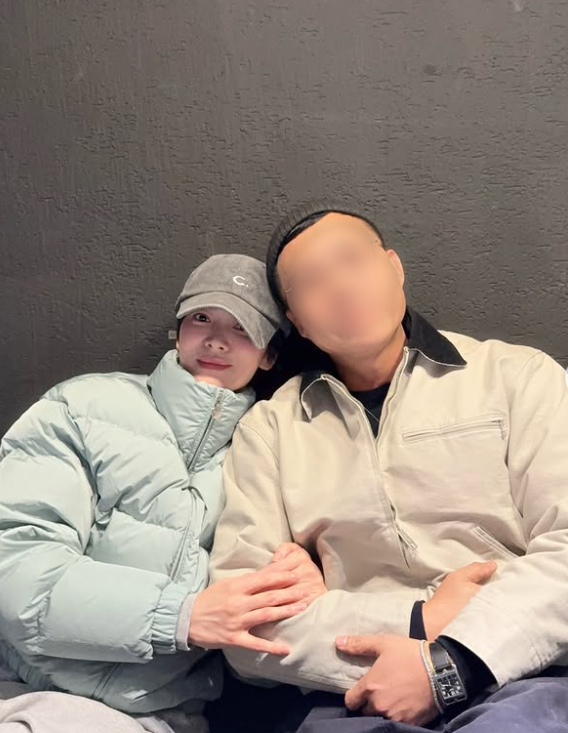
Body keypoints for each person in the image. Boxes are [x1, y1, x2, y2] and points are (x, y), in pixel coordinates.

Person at [209, 203, 568, 732]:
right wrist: (418, 620)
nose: (341, 287)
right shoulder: (270, 429)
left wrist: (453, 661)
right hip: (355, 695)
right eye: (312, 282)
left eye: (352, 260)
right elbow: (244, 626)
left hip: (520, 676)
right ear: (297, 321)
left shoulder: (518, 377)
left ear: (394, 267)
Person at [0, 253, 326, 733]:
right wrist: (181, 616)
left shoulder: (269, 453)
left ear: (269, 355)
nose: (217, 339)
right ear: (178, 330)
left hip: (159, 716)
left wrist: (296, 592)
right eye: (202, 318)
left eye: (242, 328)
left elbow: (259, 664)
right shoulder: (83, 407)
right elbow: (16, 571)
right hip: (21, 688)